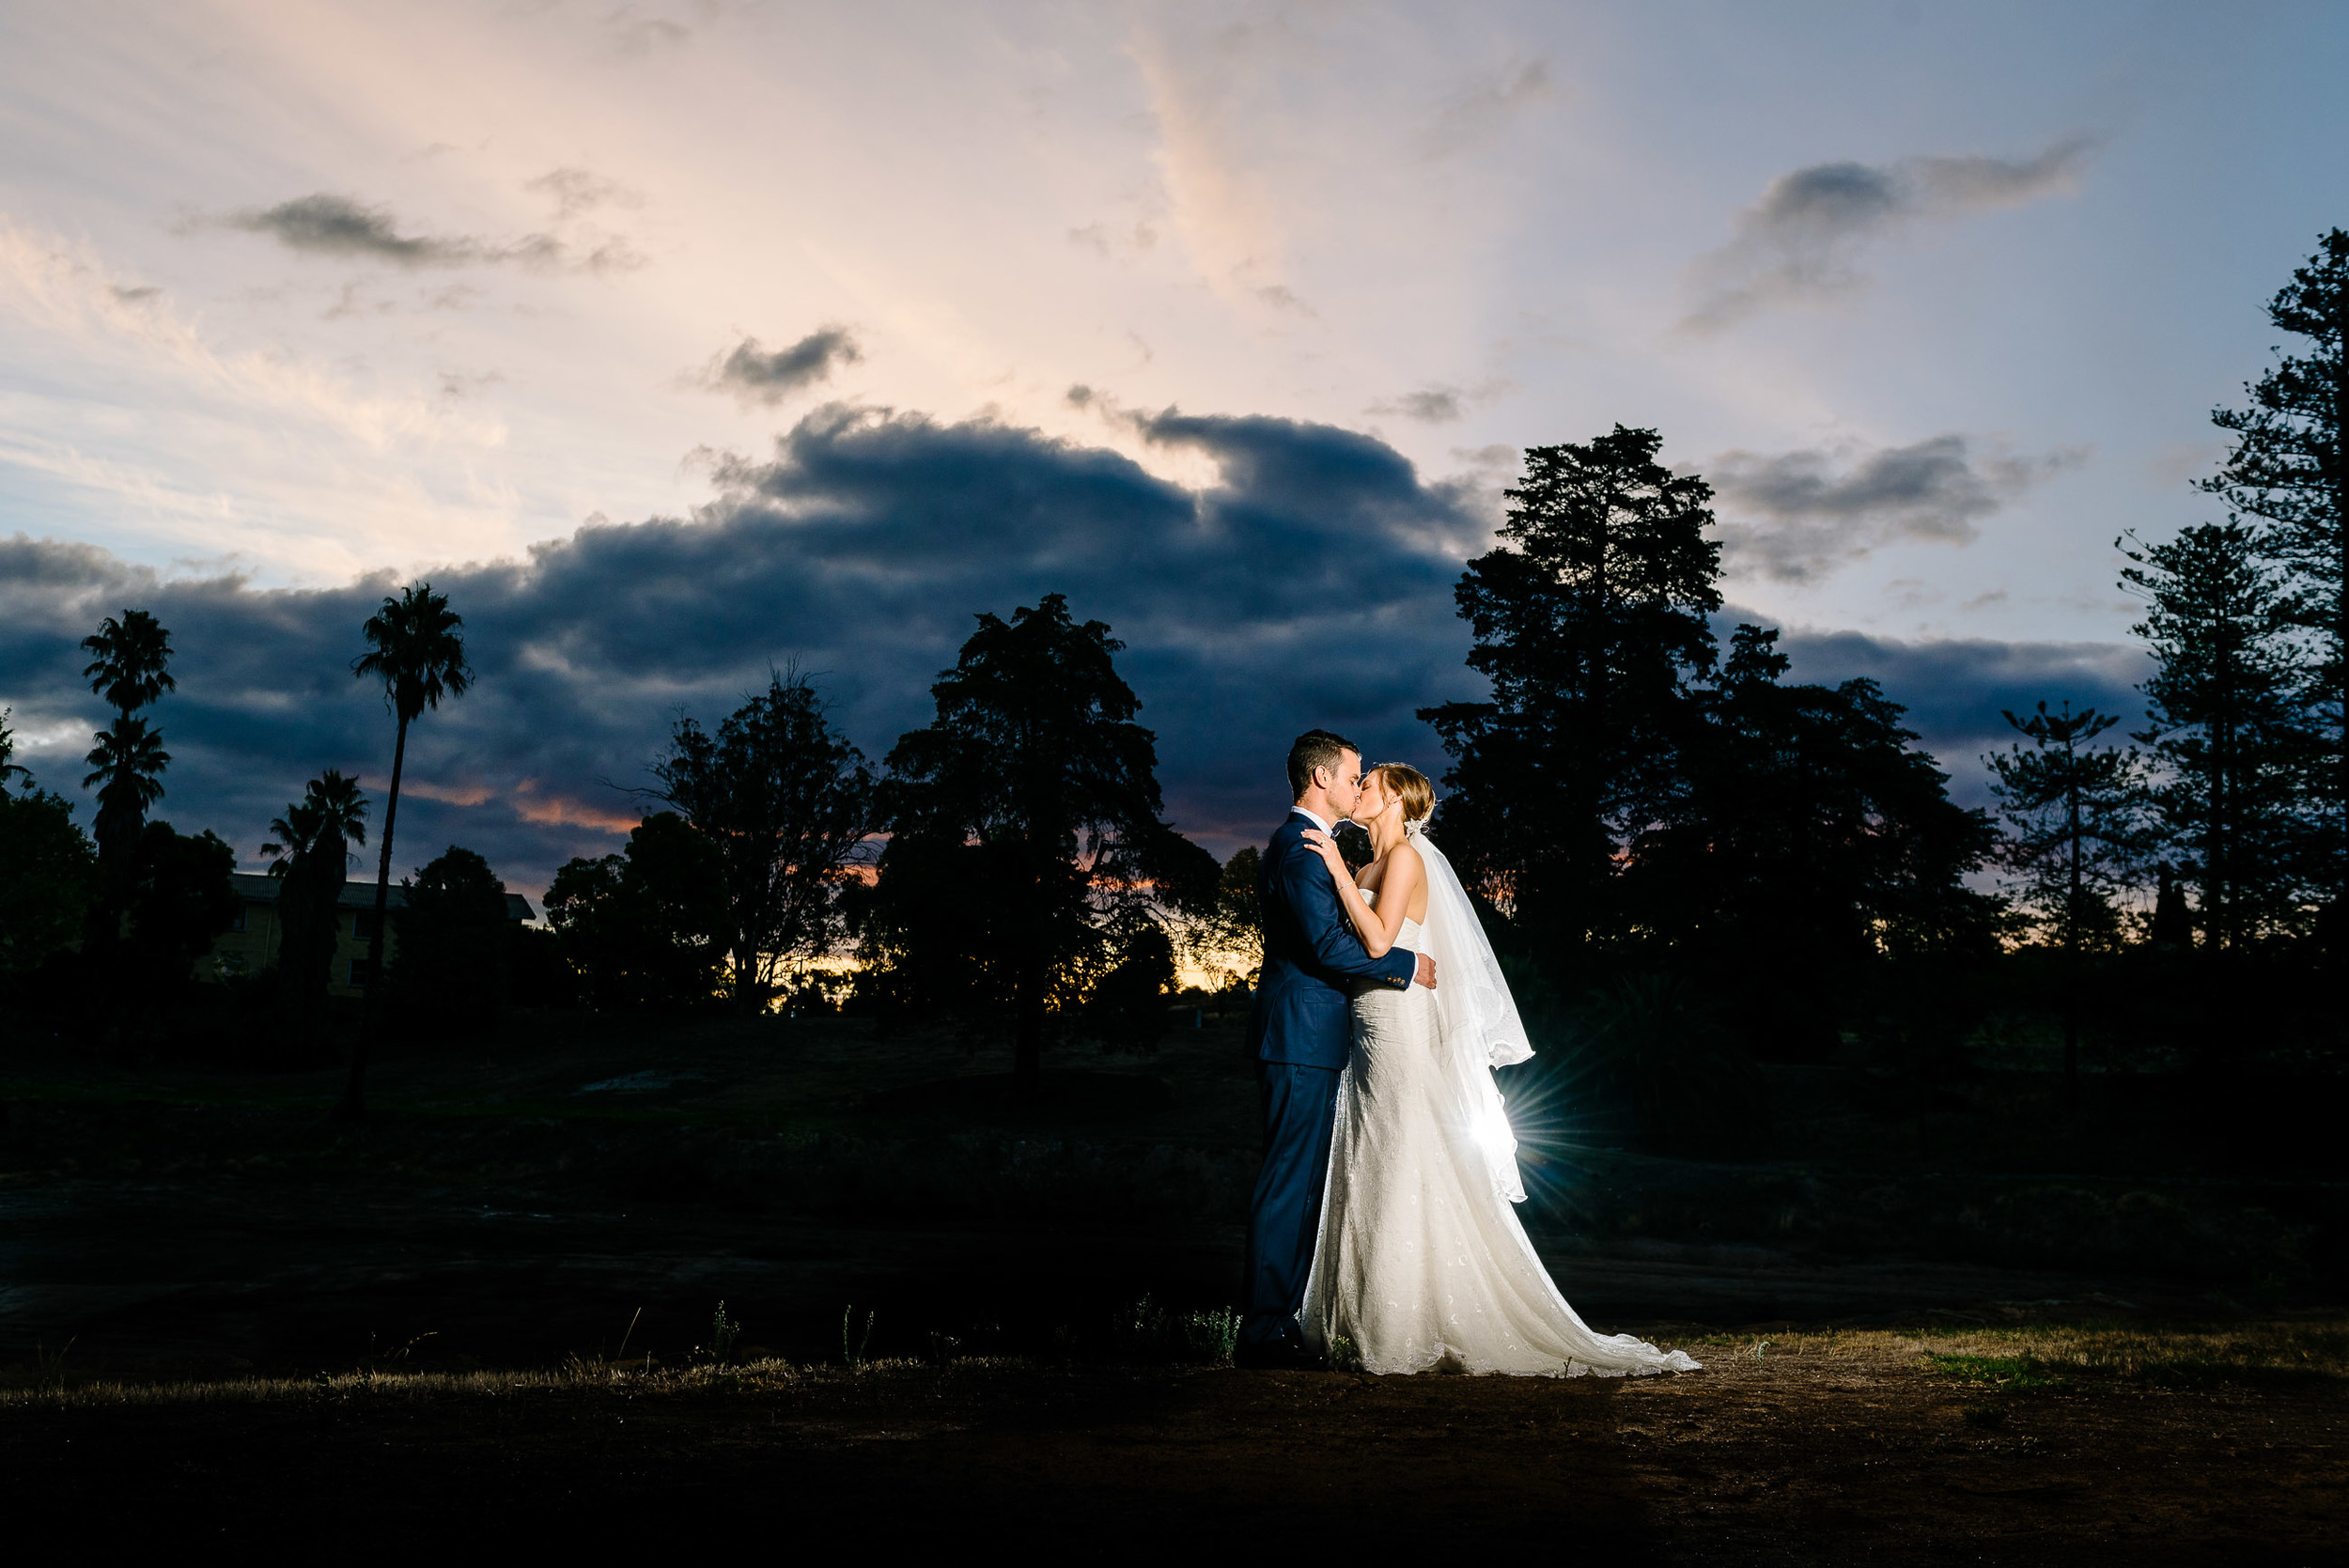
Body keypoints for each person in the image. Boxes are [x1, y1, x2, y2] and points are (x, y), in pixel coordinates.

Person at [1295, 761, 1700, 1378]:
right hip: (1366, 1024)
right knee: (1372, 1151)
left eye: (1371, 782)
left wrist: (1333, 871)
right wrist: (1343, 877)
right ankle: (1360, 1316)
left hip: (1399, 1025)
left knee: (1401, 1150)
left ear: (1397, 802)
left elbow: (1377, 941)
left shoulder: (1404, 859)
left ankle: (1397, 1321)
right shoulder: (1369, 864)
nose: (1360, 788)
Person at [1238, 730, 1434, 1370]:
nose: (1357, 786)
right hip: (1298, 1035)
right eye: (1353, 776)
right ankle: (1265, 1332)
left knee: (1300, 1185)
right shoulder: (1299, 849)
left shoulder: (1312, 848)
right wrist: (1405, 963)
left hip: (1311, 1036)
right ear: (1321, 778)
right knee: (1287, 1184)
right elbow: (1327, 947)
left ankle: (1281, 1323)